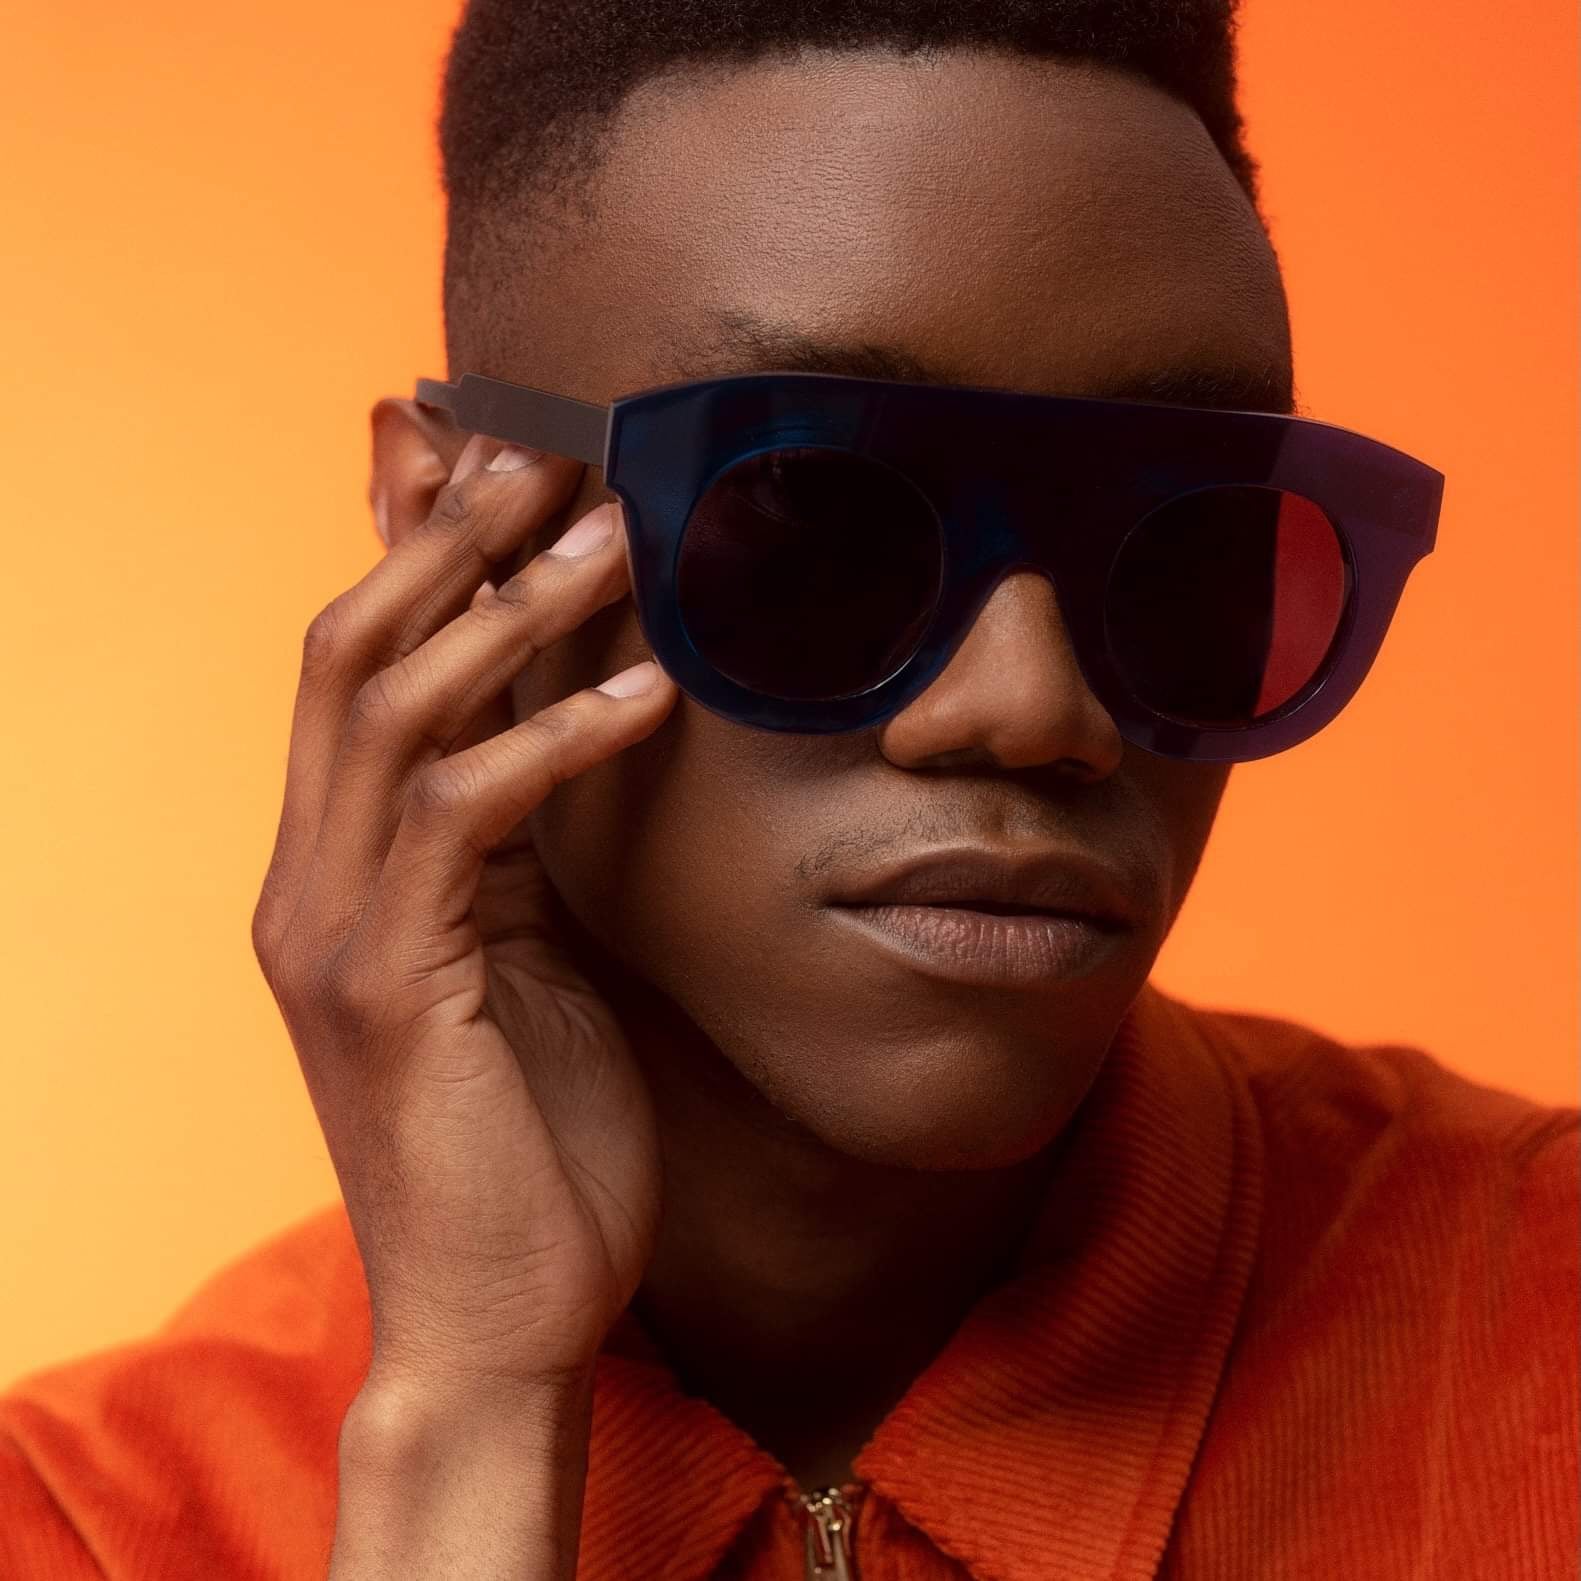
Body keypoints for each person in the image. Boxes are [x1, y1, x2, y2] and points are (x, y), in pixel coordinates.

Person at [3, 2, 1575, 1577]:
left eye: (1187, 536)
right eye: (812, 519)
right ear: (448, 526)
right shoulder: (86, 1526)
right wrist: (471, 1408)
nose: (1033, 706)